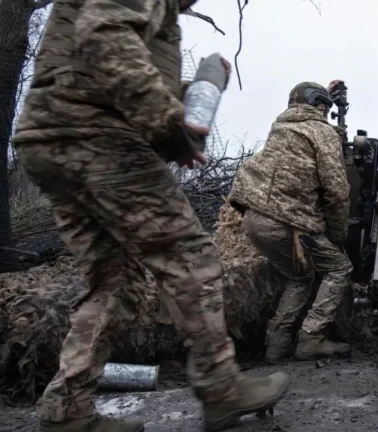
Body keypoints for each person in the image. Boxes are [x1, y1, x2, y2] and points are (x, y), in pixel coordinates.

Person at [12, 1, 290, 431]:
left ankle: (68, 409)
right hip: (98, 138)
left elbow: (107, 62)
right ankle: (221, 388)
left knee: (113, 280)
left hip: (50, 138)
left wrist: (187, 95)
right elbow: (104, 33)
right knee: (190, 255)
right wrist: (166, 125)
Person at [228, 81, 354, 364]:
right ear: (320, 107)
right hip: (288, 222)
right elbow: (336, 190)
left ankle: (276, 344)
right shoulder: (321, 131)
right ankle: (311, 337)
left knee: (300, 277)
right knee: (338, 268)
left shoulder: (282, 128)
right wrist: (337, 234)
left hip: (255, 220)